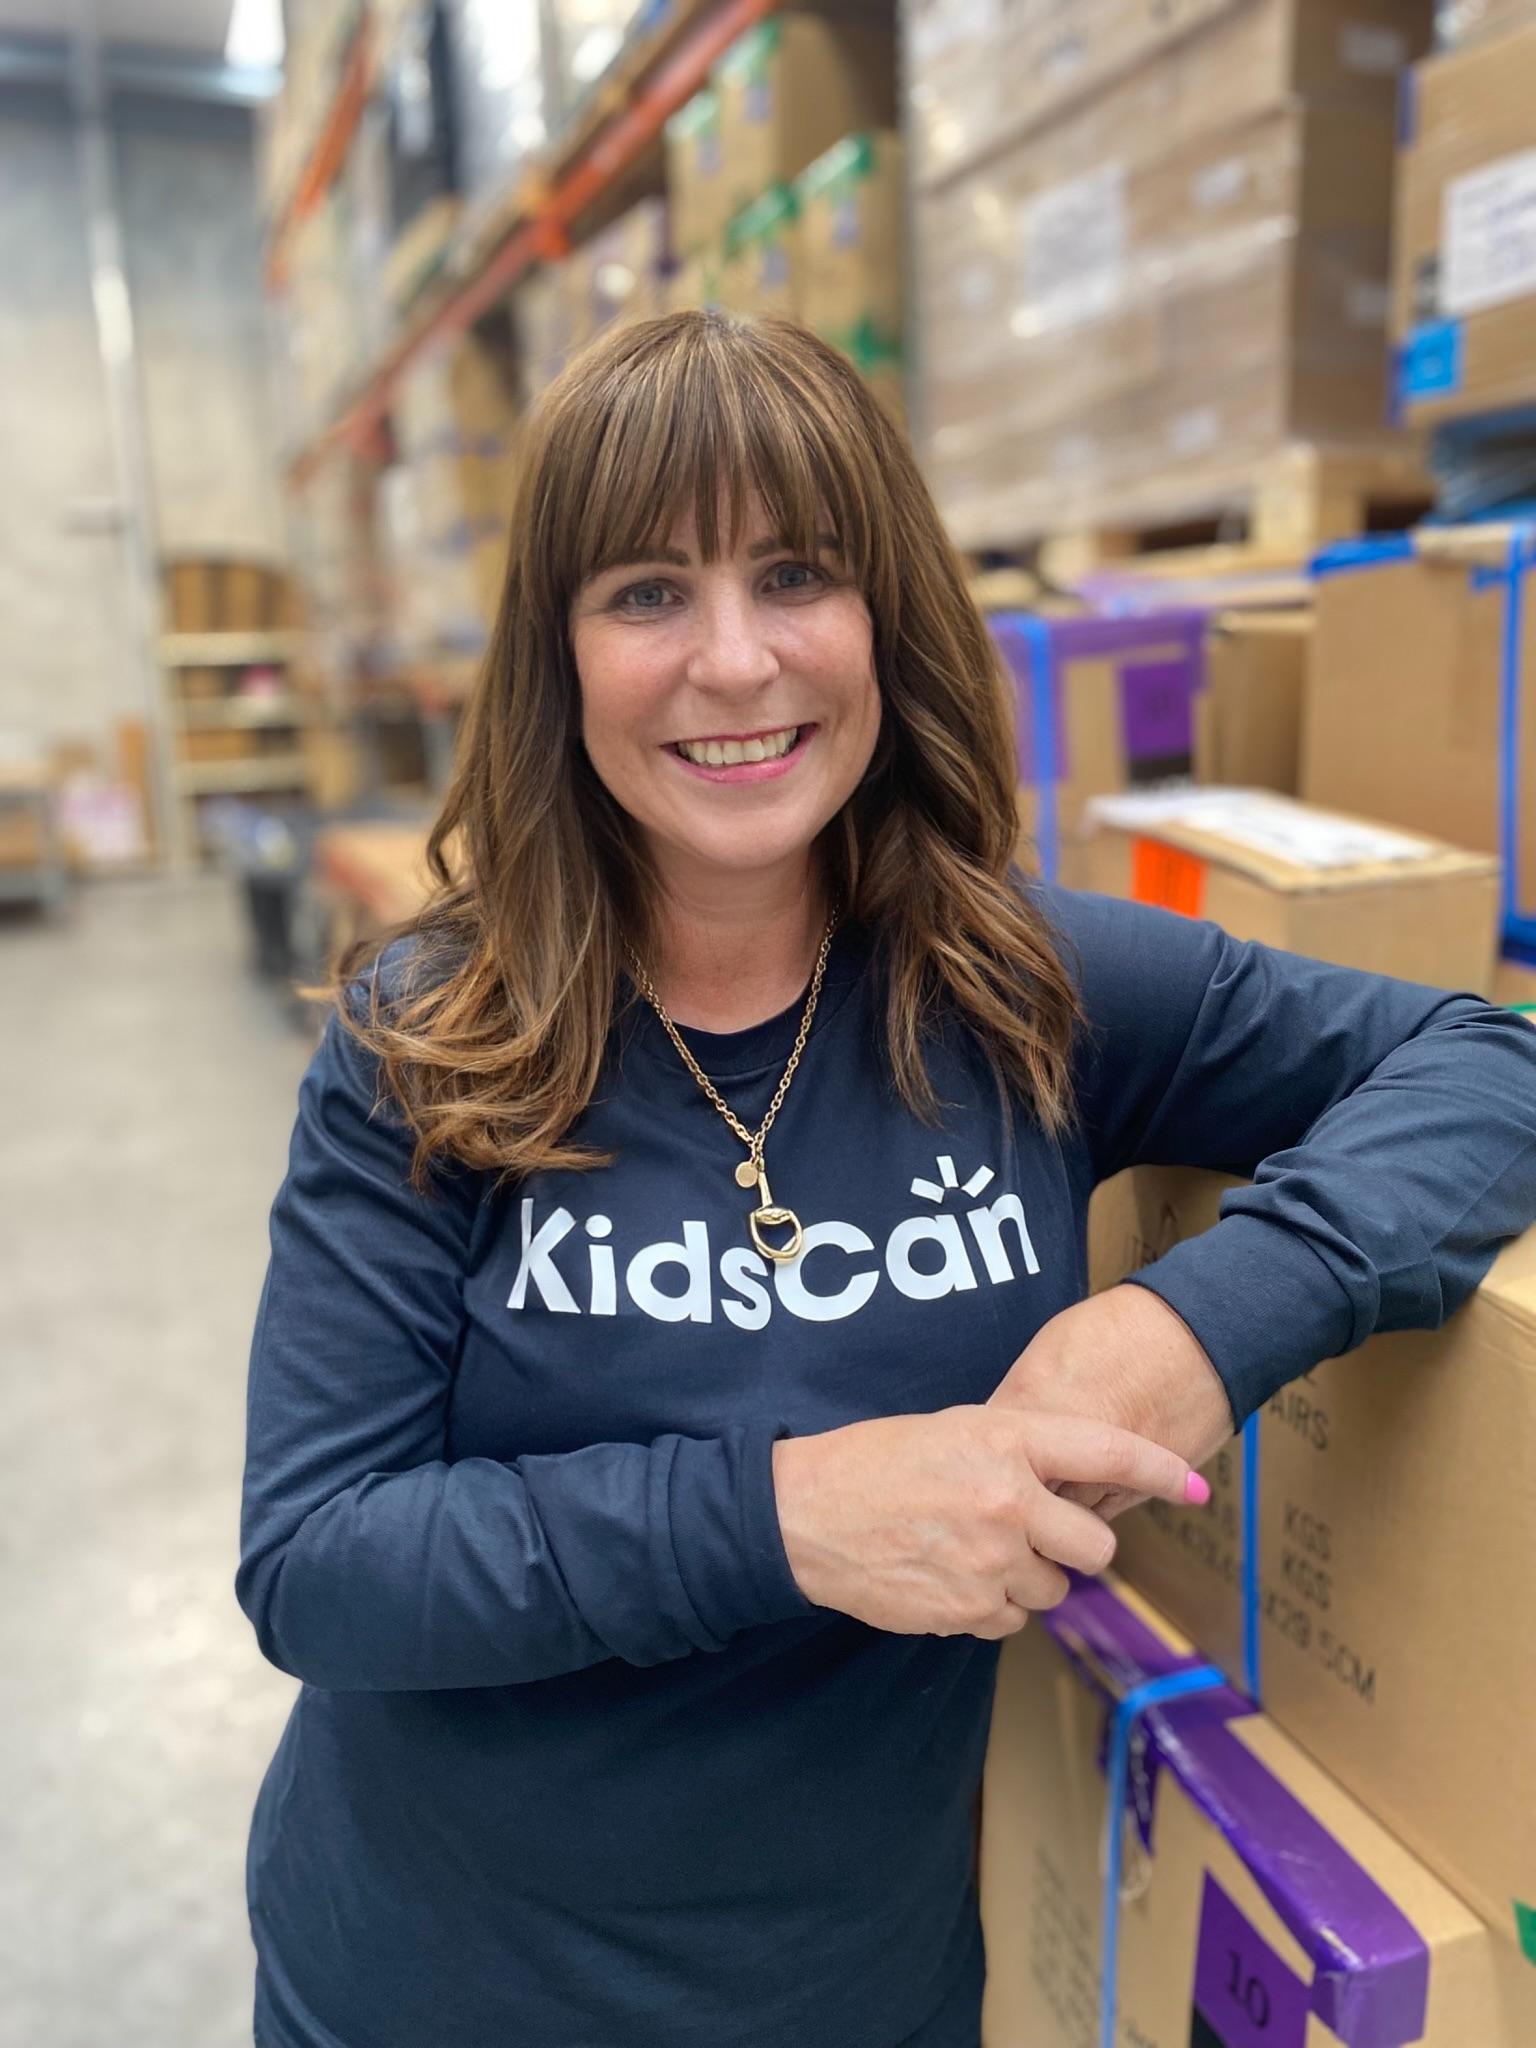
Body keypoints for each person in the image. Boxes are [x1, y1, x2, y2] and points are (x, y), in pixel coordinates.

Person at [237, 311, 1536, 2048]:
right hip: (434, 1990)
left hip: (858, 1995)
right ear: (557, 654)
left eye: (795, 575)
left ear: (886, 615)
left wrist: (1191, 1326)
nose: (734, 661)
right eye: (646, 592)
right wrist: (791, 1518)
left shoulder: (1026, 990)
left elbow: (1491, 1062)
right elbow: (319, 1560)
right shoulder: (432, 1040)